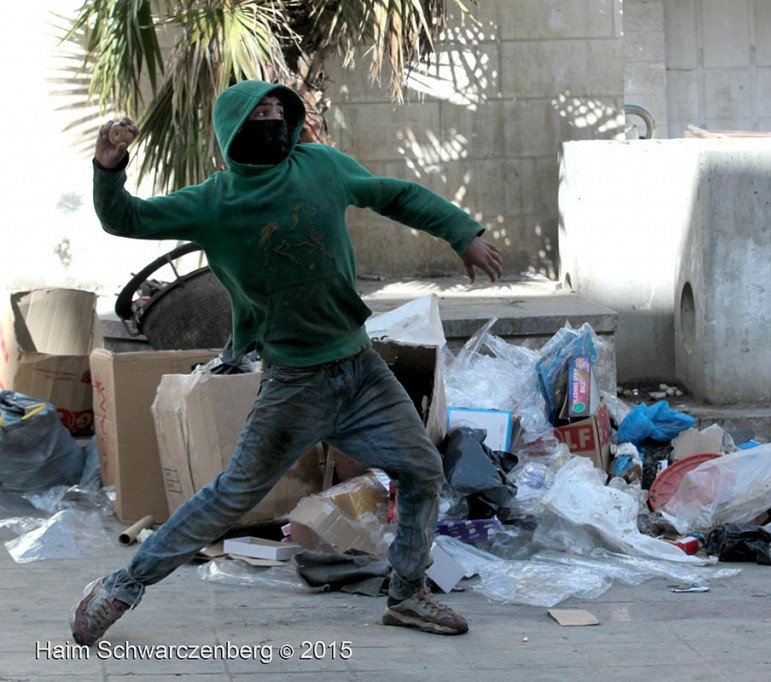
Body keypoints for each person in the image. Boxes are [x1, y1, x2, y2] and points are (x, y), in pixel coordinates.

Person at [70, 79, 503, 643]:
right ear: (232, 130)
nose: (272, 118)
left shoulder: (321, 166)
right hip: (295, 384)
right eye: (259, 113)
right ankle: (121, 587)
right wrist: (109, 167)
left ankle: (407, 595)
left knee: (422, 469)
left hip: (360, 369)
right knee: (230, 497)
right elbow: (125, 217)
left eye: (279, 109)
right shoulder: (214, 202)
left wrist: (460, 233)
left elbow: (393, 193)